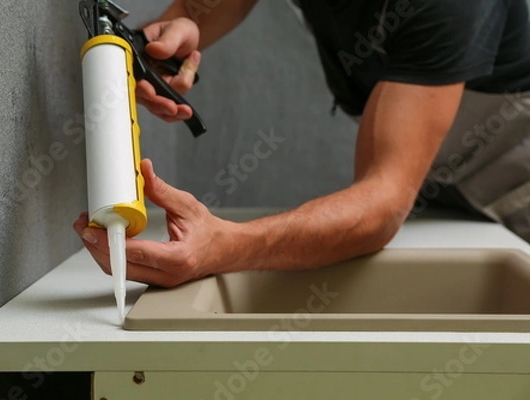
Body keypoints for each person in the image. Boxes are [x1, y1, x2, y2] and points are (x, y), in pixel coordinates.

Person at [73, 0, 530, 287]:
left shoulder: (452, 8)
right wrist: (178, 27)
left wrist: (226, 246)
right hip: (444, 190)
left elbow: (382, 201)